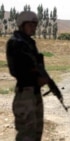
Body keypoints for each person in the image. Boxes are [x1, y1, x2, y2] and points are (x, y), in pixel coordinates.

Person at [6, 11, 49, 141]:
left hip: (34, 92)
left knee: (36, 132)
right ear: (22, 25)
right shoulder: (15, 43)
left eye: (34, 25)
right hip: (25, 93)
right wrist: (36, 78)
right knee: (26, 134)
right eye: (30, 25)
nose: (33, 28)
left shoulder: (29, 43)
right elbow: (16, 70)